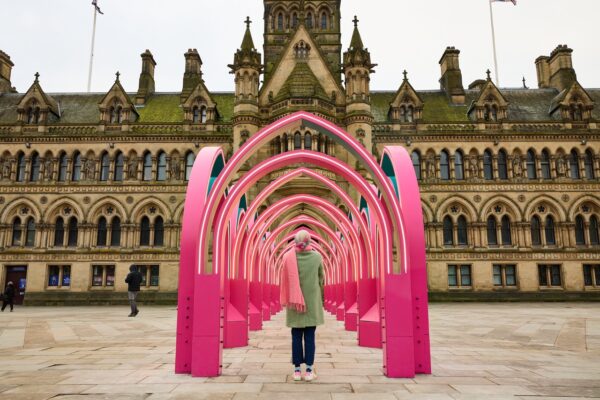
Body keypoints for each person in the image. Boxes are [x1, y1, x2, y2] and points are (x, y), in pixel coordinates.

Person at [280, 230, 324, 382]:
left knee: (296, 337)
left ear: (295, 241)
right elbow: (321, 279)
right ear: (309, 241)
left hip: (294, 304)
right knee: (310, 337)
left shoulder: (287, 257)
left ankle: (297, 371)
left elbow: (284, 280)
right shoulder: (317, 257)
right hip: (311, 304)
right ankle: (310, 371)